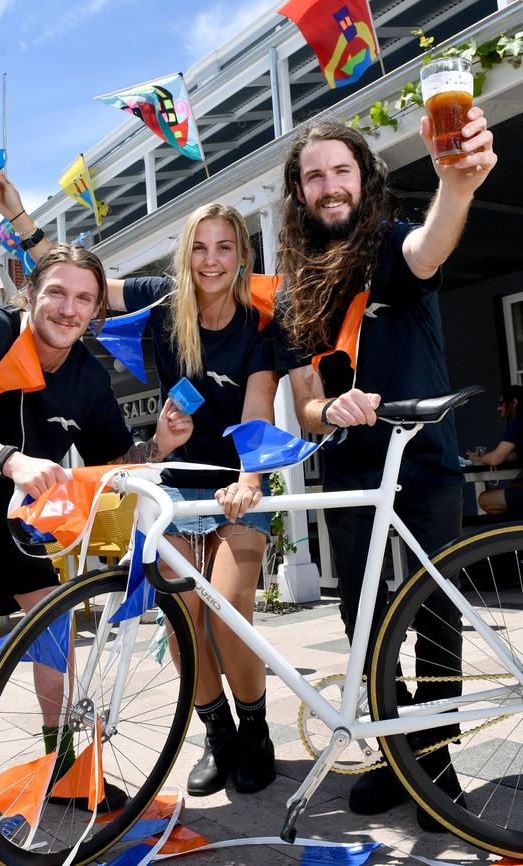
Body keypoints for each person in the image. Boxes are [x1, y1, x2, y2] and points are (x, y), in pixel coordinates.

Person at [0, 244, 192, 855]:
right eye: (57, 293)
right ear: (31, 295)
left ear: (97, 312)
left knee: (52, 612)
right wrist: (11, 460)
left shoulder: (89, 377)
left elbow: (115, 465)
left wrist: (160, 448)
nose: (68, 308)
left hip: (0, 501)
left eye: (83, 299)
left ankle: (64, 766)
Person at [0, 173, 279, 797]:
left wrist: (250, 481)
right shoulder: (165, 303)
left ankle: (255, 733)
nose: (210, 260)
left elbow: (258, 412)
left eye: (224, 246)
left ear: (241, 255)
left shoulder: (259, 324)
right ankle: (217, 734)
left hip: (234, 490)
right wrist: (19, 215)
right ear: (186, 254)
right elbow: (79, 287)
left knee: (229, 617)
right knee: (181, 622)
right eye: (200, 247)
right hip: (172, 489)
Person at [273, 109, 496, 829]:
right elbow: (305, 405)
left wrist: (455, 186)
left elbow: (432, 248)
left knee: (436, 614)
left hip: (425, 459)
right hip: (351, 470)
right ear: (299, 192)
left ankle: (436, 764)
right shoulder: (294, 289)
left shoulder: (391, 246)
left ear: (364, 180)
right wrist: (326, 414)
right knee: (362, 619)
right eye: (314, 176)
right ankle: (399, 757)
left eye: (341, 171)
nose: (329, 186)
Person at [467, 384, 523, 515]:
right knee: (515, 484)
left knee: (484, 500)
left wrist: (477, 458)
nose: (498, 408)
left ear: (514, 403)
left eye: (501, 403)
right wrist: (488, 456)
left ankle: (512, 532)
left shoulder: (518, 423)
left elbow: (495, 460)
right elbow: (513, 455)